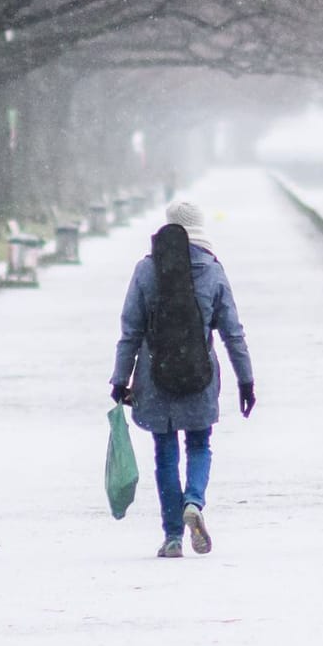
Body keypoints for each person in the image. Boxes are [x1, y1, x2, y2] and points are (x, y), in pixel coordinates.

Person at [109, 200, 255, 557]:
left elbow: (130, 330)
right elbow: (232, 332)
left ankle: (173, 535)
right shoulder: (213, 271)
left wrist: (120, 378)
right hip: (199, 377)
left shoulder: (146, 270)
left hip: (155, 377)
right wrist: (245, 380)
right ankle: (194, 502)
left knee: (165, 454)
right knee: (200, 445)